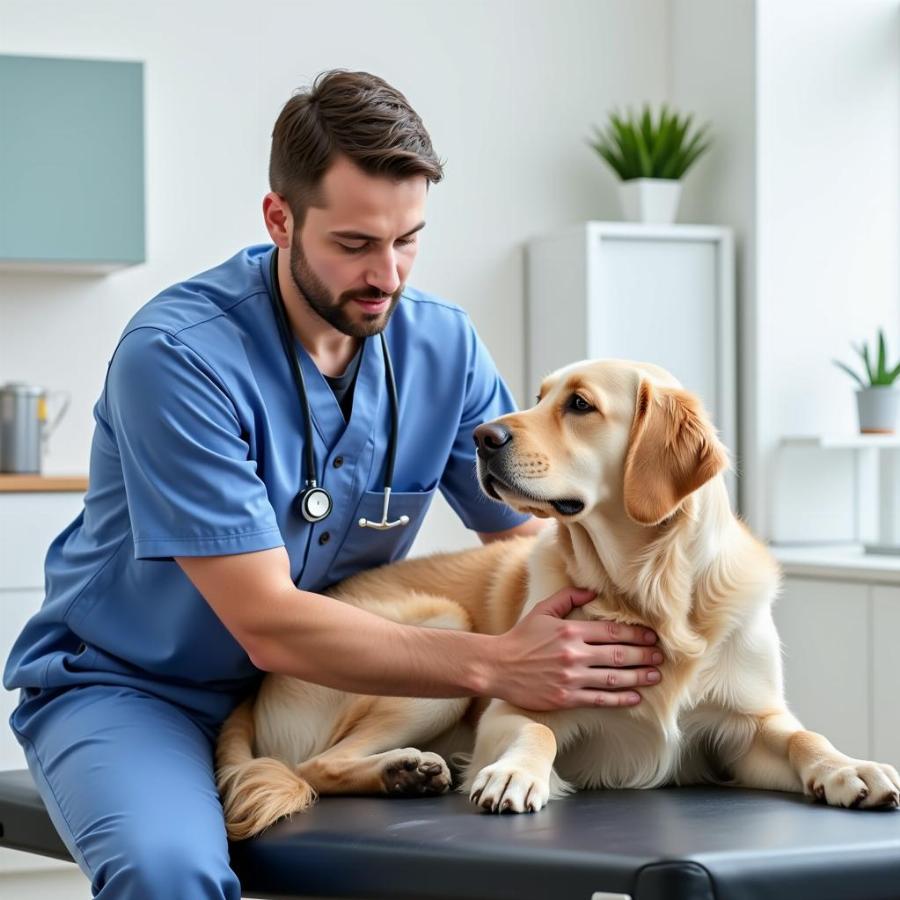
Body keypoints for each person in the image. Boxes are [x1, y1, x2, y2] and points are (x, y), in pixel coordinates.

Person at [3, 70, 663, 898]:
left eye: (408, 239)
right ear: (280, 219)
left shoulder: (443, 350)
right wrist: (497, 662)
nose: (387, 275)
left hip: (334, 698)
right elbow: (270, 626)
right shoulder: (178, 357)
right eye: (355, 244)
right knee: (170, 875)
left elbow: (528, 536)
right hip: (139, 691)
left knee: (538, 850)